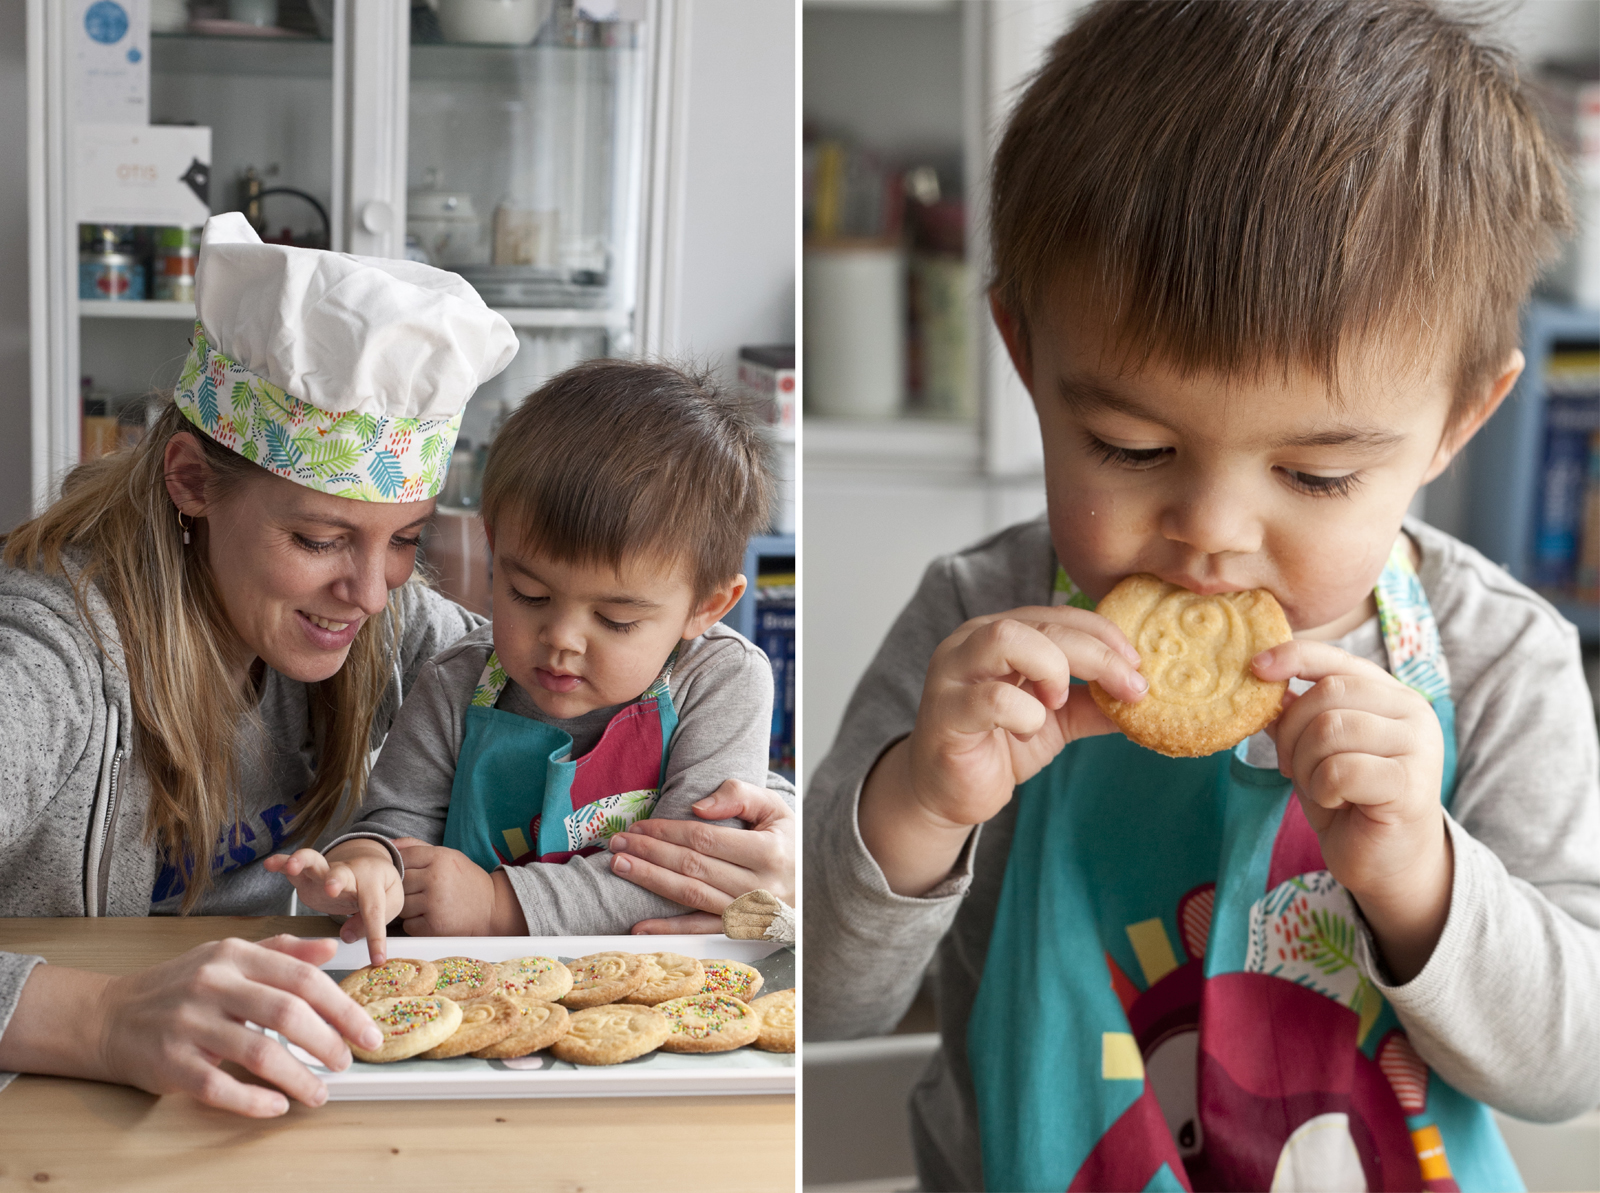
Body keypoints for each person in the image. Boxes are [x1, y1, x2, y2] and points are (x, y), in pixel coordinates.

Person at [804, 4, 1600, 1191]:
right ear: (1026, 356)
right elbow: (823, 995)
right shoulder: (980, 623)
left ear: (1457, 421)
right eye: (1130, 446)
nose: (1211, 537)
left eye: (1315, 473)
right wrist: (919, 804)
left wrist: (1423, 879)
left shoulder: (1497, 657)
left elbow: (1568, 1064)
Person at [0, 214, 794, 1119]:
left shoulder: (387, 619)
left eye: (406, 541)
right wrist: (97, 1017)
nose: (372, 594)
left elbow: (608, 706)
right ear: (191, 480)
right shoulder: (47, 661)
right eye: (318, 538)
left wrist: (771, 840)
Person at [268, 359, 785, 947]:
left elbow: (690, 872)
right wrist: (367, 868)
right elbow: (396, 827)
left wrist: (498, 905)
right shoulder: (457, 681)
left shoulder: (721, 682)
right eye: (528, 594)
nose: (561, 638)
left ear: (708, 606)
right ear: (494, 549)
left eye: (616, 619)